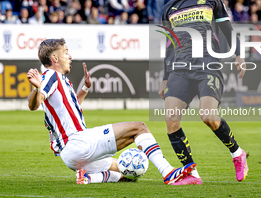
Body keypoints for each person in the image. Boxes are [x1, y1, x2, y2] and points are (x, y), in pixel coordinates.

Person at [27, 39, 195, 185]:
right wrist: (36, 89)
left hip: (71, 155)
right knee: (139, 127)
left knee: (127, 172)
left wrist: (85, 88)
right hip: (79, 142)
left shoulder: (61, 80)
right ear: (55, 58)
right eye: (65, 52)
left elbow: (71, 107)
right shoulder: (50, 76)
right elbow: (34, 104)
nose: (69, 56)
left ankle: (87, 178)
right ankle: (168, 172)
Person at [158, 0, 248, 185]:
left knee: (207, 116)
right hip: (180, 68)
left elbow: (227, 30)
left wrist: (238, 54)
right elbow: (169, 45)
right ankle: (191, 173)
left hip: (208, 64)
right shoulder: (169, 7)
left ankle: (237, 153)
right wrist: (164, 77)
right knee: (171, 120)